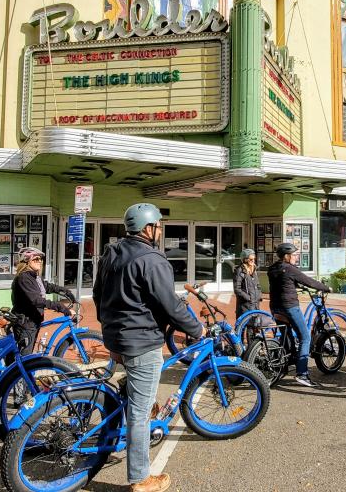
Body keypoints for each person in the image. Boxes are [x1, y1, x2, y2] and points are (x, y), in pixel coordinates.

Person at [93, 203, 202, 492]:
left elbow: (97, 294)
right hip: (140, 341)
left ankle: (111, 431)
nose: (161, 230)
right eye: (158, 225)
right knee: (140, 414)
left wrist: (108, 325)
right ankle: (141, 479)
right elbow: (170, 304)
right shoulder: (152, 260)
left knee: (132, 392)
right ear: (148, 228)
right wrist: (196, 329)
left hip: (114, 337)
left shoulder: (111, 252)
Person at [267, 242, 331, 388]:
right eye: (295, 255)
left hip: (275, 307)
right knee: (305, 337)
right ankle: (302, 374)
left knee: (286, 335)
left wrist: (296, 285)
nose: (296, 257)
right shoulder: (290, 269)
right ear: (287, 256)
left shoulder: (273, 269)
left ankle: (285, 363)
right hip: (289, 306)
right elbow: (309, 281)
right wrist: (326, 288)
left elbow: (283, 282)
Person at [10, 247, 76, 352]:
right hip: (25, 322)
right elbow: (37, 300)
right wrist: (61, 307)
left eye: (40, 259)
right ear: (27, 261)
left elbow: (47, 286)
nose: (40, 262)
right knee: (25, 356)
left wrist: (65, 291)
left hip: (33, 320)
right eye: (35, 259)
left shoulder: (34, 276)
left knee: (26, 353)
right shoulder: (24, 278)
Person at [233, 248, 262, 319]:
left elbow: (257, 285)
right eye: (250, 259)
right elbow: (237, 289)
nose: (253, 261)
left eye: (254, 259)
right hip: (245, 304)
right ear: (245, 259)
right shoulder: (240, 270)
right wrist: (248, 298)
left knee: (254, 326)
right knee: (242, 325)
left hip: (255, 303)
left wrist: (259, 295)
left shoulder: (254, 270)